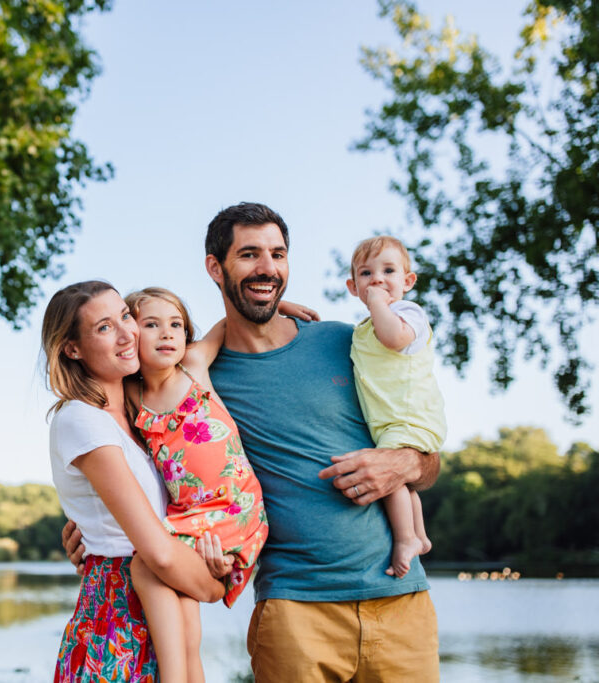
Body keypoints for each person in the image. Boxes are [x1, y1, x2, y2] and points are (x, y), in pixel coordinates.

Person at [203, 202, 441, 681]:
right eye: (249, 254)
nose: (268, 268)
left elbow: (427, 459)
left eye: (278, 254)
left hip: (401, 602)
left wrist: (402, 465)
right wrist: (92, 519)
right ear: (215, 267)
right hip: (295, 609)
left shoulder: (348, 342)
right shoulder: (201, 376)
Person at [42, 280, 232, 683]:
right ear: (72, 349)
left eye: (126, 316)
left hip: (166, 606)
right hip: (117, 621)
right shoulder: (81, 419)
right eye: (104, 327)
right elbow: (157, 553)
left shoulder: (137, 416)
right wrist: (216, 588)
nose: (127, 332)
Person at [122, 287, 270, 683]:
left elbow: (229, 325)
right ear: (129, 334)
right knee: (180, 592)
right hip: (187, 514)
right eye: (151, 325)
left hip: (234, 507)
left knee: (146, 562)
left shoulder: (192, 366)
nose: (167, 334)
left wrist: (280, 307)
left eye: (176, 325)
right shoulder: (131, 396)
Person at [346, 235, 446, 578]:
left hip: (410, 415)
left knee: (391, 478)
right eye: (366, 274)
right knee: (403, 484)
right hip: (391, 421)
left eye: (388, 270)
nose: (376, 279)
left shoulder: (407, 313)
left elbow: (394, 338)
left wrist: (378, 304)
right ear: (352, 287)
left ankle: (404, 539)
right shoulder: (363, 329)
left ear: (408, 281)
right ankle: (418, 534)